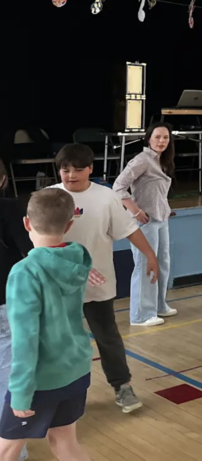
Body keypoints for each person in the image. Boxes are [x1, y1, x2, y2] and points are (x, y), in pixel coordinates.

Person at [51, 144, 157, 413]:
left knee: (108, 337)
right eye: (65, 170)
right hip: (60, 287)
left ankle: (122, 386)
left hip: (98, 284)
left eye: (78, 169)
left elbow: (129, 229)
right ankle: (61, 395)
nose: (71, 175)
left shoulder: (106, 197)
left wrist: (150, 255)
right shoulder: (49, 197)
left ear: (90, 169)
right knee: (61, 342)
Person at [0, 189, 94, 461]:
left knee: (5, 450)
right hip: (75, 369)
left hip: (42, 379)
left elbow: (25, 338)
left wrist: (20, 392)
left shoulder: (25, 271)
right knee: (64, 442)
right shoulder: (77, 257)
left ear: (27, 223)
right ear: (69, 225)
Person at [113, 122, 176, 328]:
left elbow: (156, 192)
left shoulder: (162, 161)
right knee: (146, 264)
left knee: (163, 262)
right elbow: (118, 186)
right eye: (157, 137)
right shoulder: (142, 160)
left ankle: (158, 305)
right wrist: (135, 211)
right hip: (145, 221)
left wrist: (164, 208)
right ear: (149, 139)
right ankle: (141, 314)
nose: (161, 141)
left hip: (161, 218)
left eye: (165, 137)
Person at [0, 159, 31, 461]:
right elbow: (30, 250)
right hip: (5, 301)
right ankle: (12, 450)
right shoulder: (10, 208)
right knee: (9, 375)